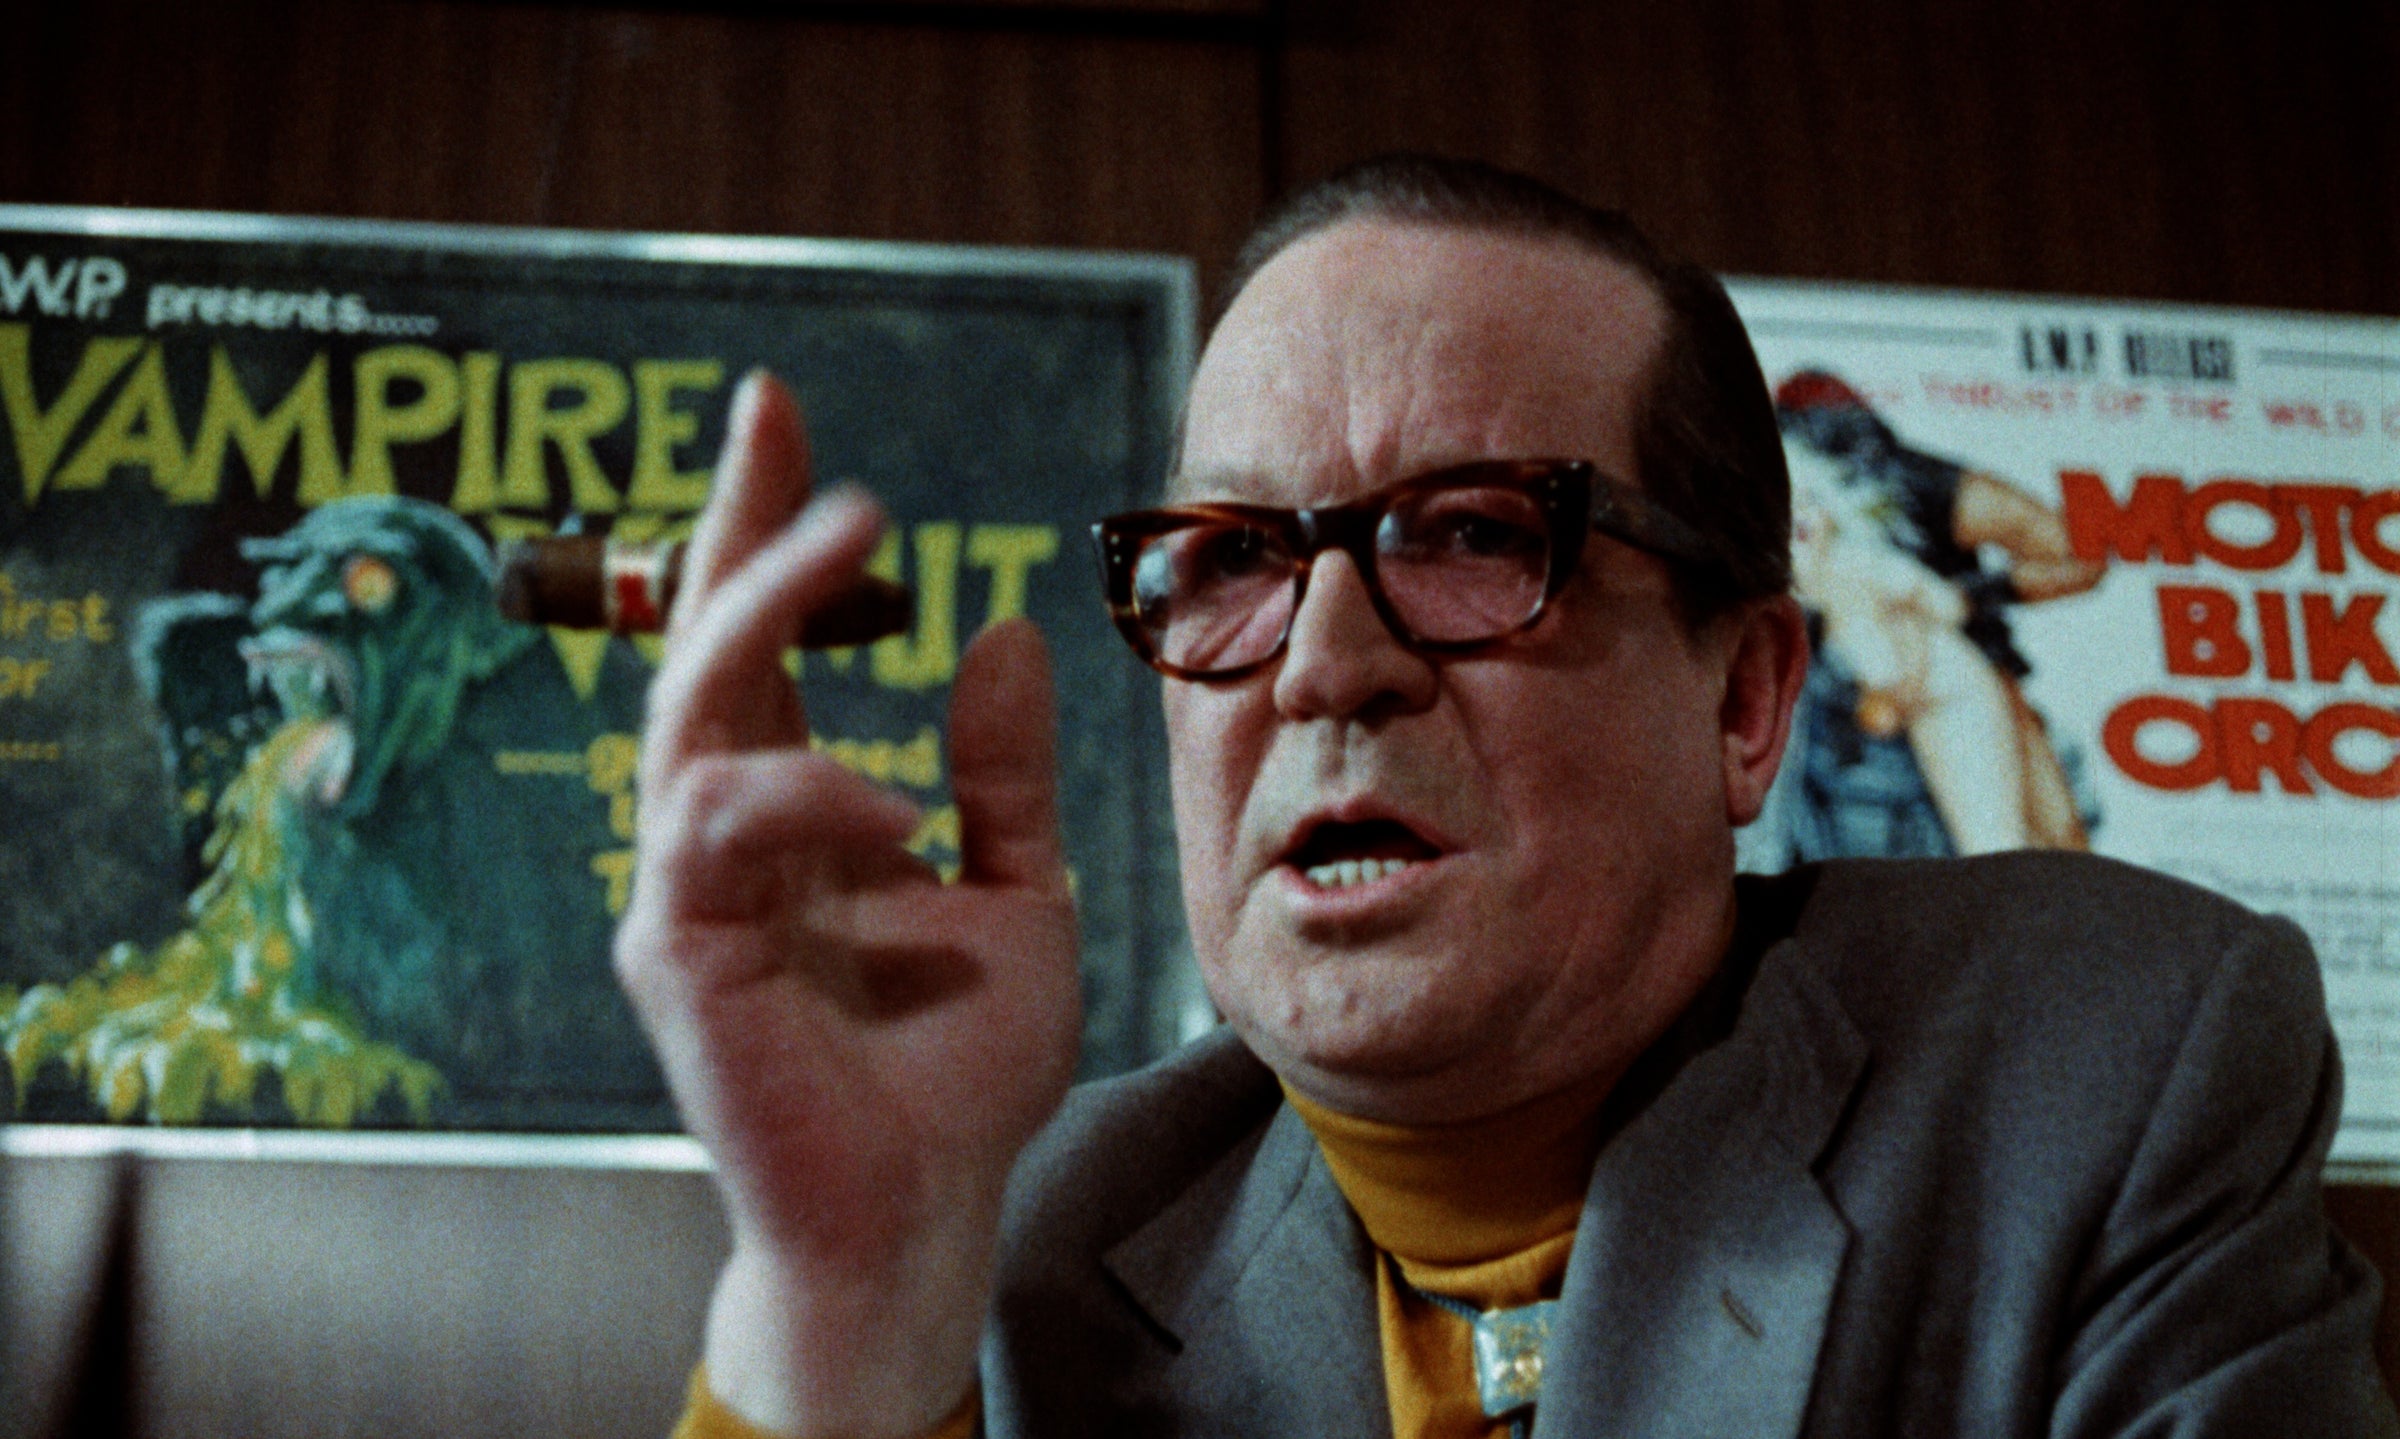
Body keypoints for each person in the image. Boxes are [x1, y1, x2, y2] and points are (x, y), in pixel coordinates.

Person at [616, 156, 2395, 1438]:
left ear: (1746, 699)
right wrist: (848, 1290)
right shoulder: (1019, 1239)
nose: (1324, 666)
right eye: (1231, 557)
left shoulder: (2098, 1078)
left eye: (1471, 535)